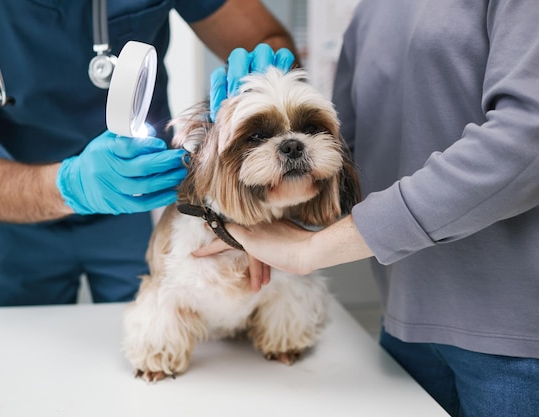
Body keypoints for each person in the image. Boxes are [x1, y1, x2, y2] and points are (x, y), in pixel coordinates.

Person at [198, 1, 539, 416]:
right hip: (402, 319)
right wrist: (224, 196)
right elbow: (344, 159)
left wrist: (311, 250)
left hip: (517, 343)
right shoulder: (372, 9)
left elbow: (525, 145)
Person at [0, 0, 298, 307]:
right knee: (9, 368)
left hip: (141, 197)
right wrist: (70, 185)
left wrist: (266, 82)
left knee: (165, 344)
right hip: (5, 201)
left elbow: (266, 35)